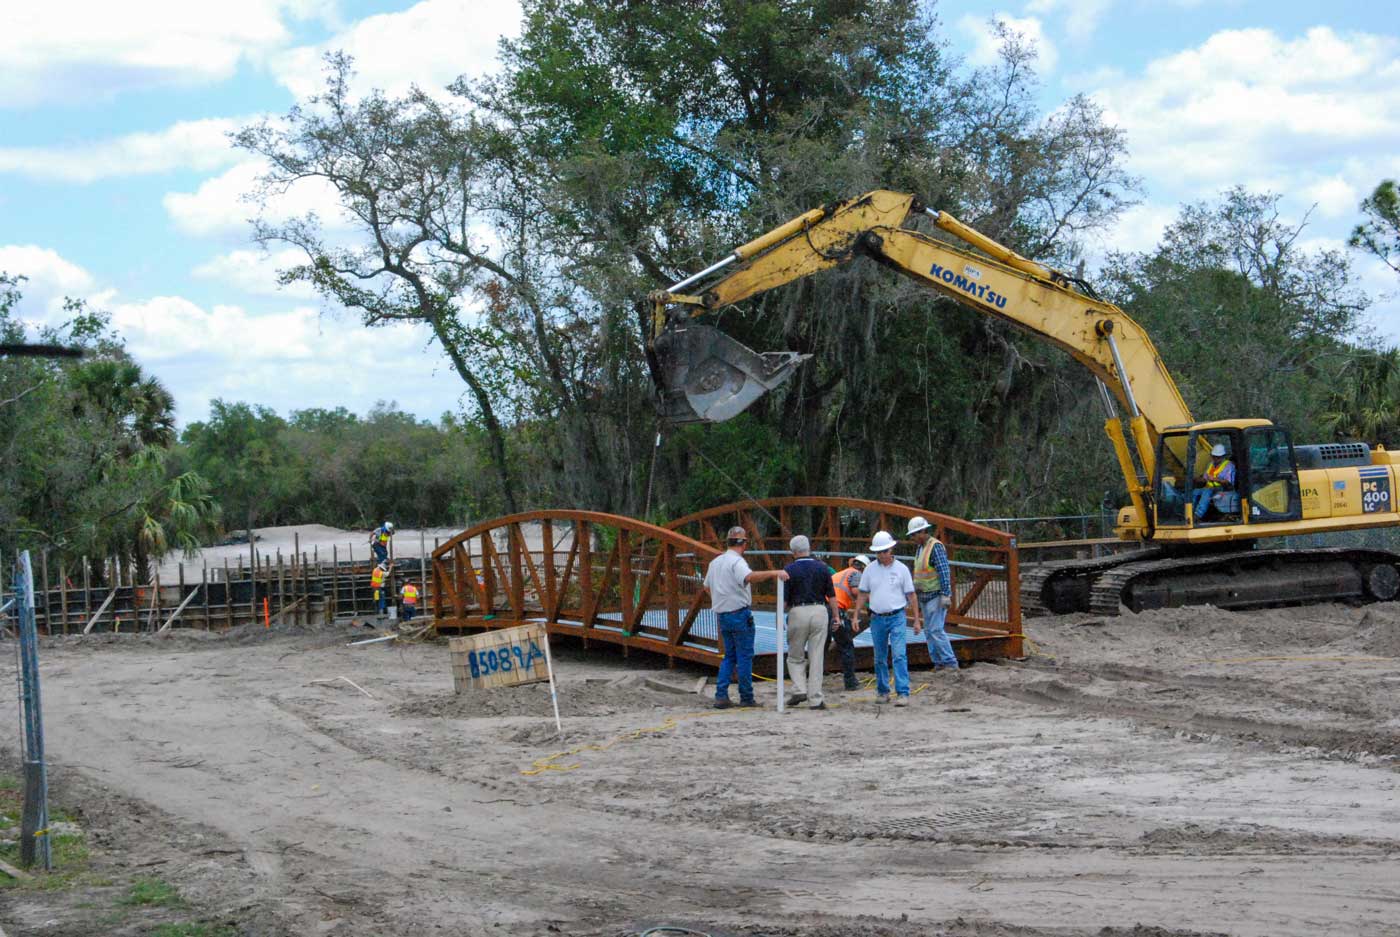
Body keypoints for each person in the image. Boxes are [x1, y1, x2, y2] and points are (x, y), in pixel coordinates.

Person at [703, 525, 789, 710]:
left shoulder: (715, 562)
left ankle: (721, 695)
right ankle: (746, 696)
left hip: (723, 615)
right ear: (743, 543)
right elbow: (749, 577)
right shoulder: (737, 562)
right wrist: (774, 573)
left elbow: (706, 586)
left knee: (729, 656)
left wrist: (719, 600)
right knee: (744, 656)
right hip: (739, 614)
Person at [852, 530, 921, 707]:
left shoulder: (902, 569)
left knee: (899, 654)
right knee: (879, 657)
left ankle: (902, 692)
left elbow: (911, 595)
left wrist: (916, 619)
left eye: (885, 551)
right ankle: (883, 691)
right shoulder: (869, 570)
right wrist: (856, 615)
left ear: (891, 550)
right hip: (877, 617)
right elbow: (862, 593)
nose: (882, 555)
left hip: (897, 615)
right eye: (879, 552)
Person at [782, 535, 840, 710]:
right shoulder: (822, 568)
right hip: (819, 610)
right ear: (809, 549)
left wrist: (779, 616)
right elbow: (831, 595)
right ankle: (815, 698)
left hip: (798, 611)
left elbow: (784, 600)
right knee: (816, 656)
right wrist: (836, 616)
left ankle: (799, 688)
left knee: (795, 655)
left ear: (793, 552)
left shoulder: (789, 570)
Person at [908, 516, 958, 673]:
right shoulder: (920, 548)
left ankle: (950, 662)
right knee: (929, 631)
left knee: (936, 630)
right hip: (924, 596)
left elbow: (944, 571)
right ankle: (938, 663)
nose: (913, 538)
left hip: (935, 596)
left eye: (915, 535)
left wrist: (946, 594)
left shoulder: (935, 547)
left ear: (923, 532)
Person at [830, 554, 869, 690]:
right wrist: (871, 599)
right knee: (846, 646)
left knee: (821, 646)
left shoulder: (840, 574)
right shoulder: (855, 574)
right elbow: (856, 591)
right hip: (836, 612)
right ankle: (850, 682)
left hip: (823, 609)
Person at [1193, 444, 1236, 520]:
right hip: (1210, 487)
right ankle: (1189, 512)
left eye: (1218, 457)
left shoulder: (1229, 466)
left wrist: (1215, 479)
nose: (1215, 459)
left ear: (1223, 456)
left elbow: (1228, 483)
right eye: (1214, 456)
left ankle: (1198, 515)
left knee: (1207, 491)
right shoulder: (1211, 464)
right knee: (1194, 492)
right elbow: (1205, 479)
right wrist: (1196, 479)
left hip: (1223, 489)